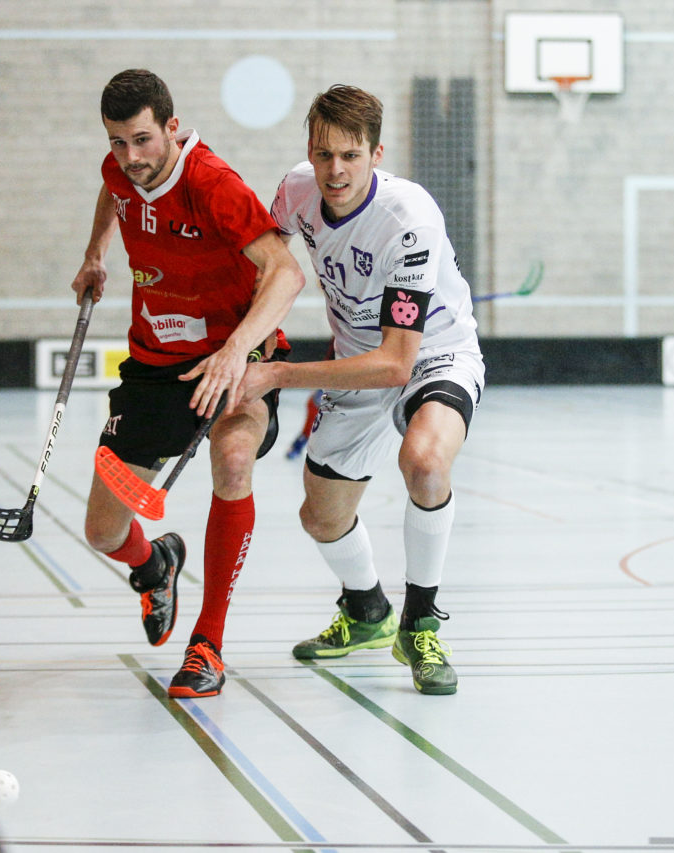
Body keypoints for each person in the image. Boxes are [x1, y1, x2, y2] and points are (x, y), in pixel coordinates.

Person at [240, 85, 484, 695]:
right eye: (323, 154)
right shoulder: (296, 190)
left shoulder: (410, 223)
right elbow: (265, 265)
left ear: (377, 153)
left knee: (424, 462)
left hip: (432, 356)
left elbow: (397, 364)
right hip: (355, 361)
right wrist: (253, 337)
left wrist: (277, 374)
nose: (334, 171)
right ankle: (366, 609)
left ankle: (420, 622)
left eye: (350, 156)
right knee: (320, 519)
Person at [72, 69, 304, 698]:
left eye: (143, 140)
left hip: (231, 362)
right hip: (151, 369)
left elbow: (285, 274)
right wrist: (96, 254)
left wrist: (235, 351)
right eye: (118, 142)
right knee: (102, 532)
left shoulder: (213, 185)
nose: (131, 157)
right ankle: (155, 565)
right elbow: (113, 190)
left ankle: (208, 643)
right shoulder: (120, 169)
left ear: (171, 127)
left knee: (232, 462)